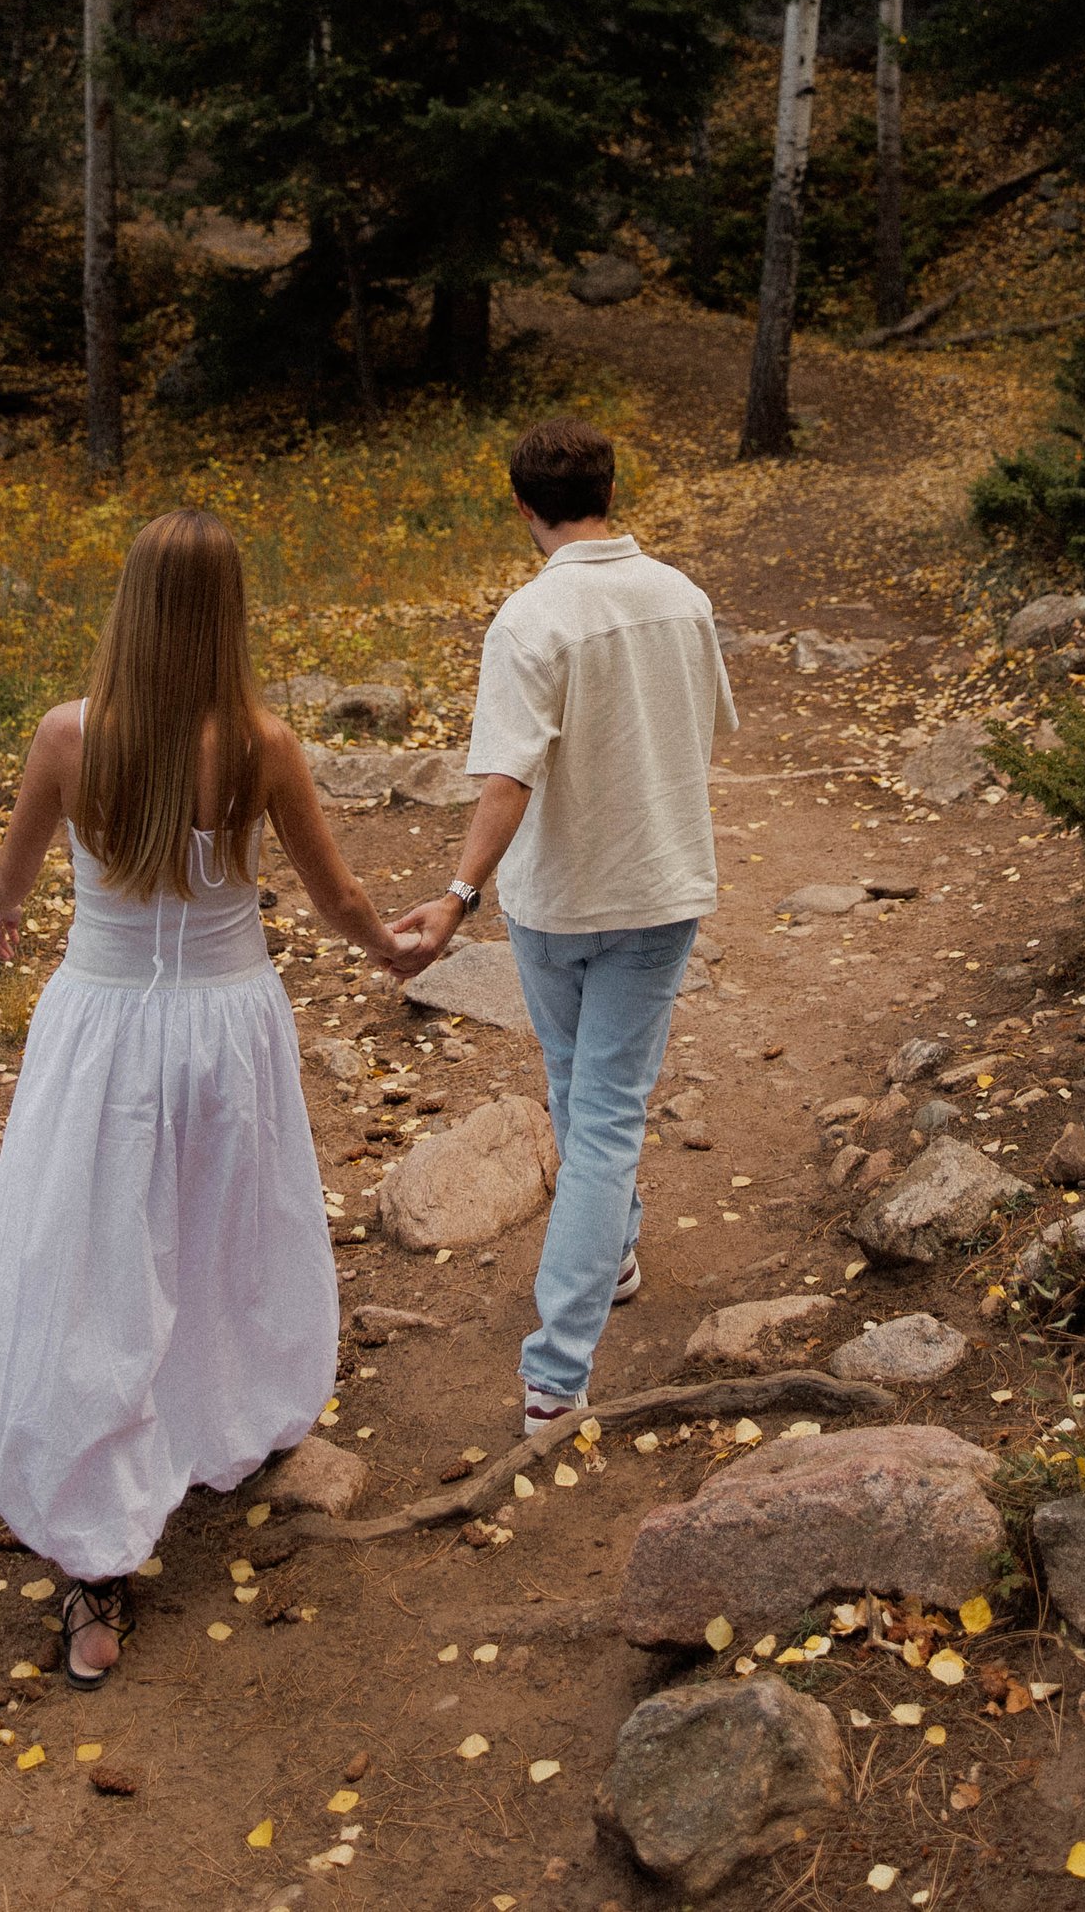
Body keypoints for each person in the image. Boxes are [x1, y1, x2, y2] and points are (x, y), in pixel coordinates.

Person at [0, 507, 403, 1686]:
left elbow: (8, 889)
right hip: (226, 1028)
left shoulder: (68, 737)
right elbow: (337, 898)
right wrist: (396, 947)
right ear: (227, 616)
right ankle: (228, 1419)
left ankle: (92, 1564)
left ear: (128, 605)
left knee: (96, 1259)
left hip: (103, 1031)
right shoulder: (265, 743)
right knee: (226, 1232)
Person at [393, 413, 733, 1439]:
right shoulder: (682, 598)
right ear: (610, 491)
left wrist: (455, 896)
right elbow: (710, 730)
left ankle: (555, 1369)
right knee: (599, 1105)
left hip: (555, 903)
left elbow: (507, 779)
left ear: (522, 510)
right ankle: (612, 1251)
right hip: (660, 890)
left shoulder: (529, 619)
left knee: (591, 1107)